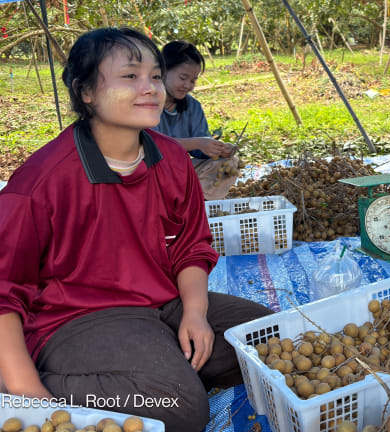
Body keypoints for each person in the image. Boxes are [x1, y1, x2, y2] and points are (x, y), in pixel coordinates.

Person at [0, 28, 272, 431]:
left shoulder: (173, 160)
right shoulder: (43, 180)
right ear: (86, 92)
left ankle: (151, 372)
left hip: (162, 303)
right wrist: (27, 390)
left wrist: (195, 313)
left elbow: (191, 245)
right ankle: (27, 381)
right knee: (180, 408)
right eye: (130, 76)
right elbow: (4, 287)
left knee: (269, 342)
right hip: (79, 317)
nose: (150, 88)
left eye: (155, 76)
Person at [154, 40, 240, 200]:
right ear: (163, 71)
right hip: (151, 173)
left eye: (193, 80)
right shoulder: (147, 103)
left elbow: (200, 147)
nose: (188, 85)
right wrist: (198, 143)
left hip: (179, 172)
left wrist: (217, 149)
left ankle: (197, 203)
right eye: (183, 78)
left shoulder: (193, 107)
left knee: (229, 164)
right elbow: (152, 145)